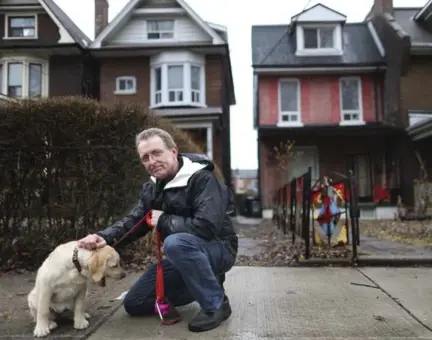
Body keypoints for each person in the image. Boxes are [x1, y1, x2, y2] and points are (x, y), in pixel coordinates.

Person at [77, 127, 238, 332]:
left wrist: (164, 220)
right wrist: (103, 237)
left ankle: (216, 304)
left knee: (175, 243)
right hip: (181, 255)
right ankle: (207, 282)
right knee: (136, 302)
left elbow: (207, 226)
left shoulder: (202, 179)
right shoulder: (152, 188)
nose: (151, 161)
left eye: (156, 153)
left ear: (173, 151)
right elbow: (135, 221)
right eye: (145, 157)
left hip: (219, 248)